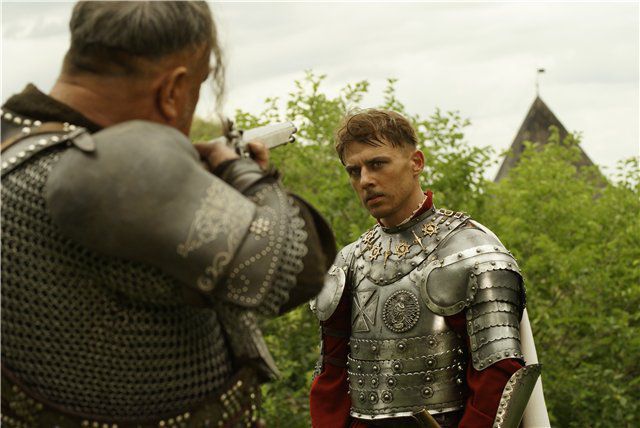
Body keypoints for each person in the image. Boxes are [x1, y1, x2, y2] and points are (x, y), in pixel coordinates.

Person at [1, 2, 335, 426]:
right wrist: (242, 173)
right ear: (173, 90)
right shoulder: (111, 177)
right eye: (197, 87)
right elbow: (298, 269)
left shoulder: (13, 147)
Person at [310, 109, 547, 428]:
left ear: (416, 163)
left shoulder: (468, 250)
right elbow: (331, 376)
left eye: (377, 164)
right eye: (354, 171)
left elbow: (498, 374)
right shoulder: (349, 262)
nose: (365, 180)